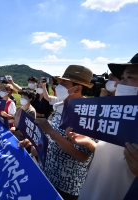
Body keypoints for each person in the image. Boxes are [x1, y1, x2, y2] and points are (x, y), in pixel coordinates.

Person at [19, 65, 95, 199]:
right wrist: (35, 140)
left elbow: (82, 156)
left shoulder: (87, 114)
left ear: (77, 88)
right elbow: (52, 136)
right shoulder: (61, 106)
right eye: (59, 83)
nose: (58, 87)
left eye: (63, 84)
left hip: (66, 185)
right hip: (48, 174)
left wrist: (51, 131)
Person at [75, 53, 138, 200]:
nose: (119, 84)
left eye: (130, 77)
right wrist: (90, 144)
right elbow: (115, 159)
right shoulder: (119, 119)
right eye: (122, 78)